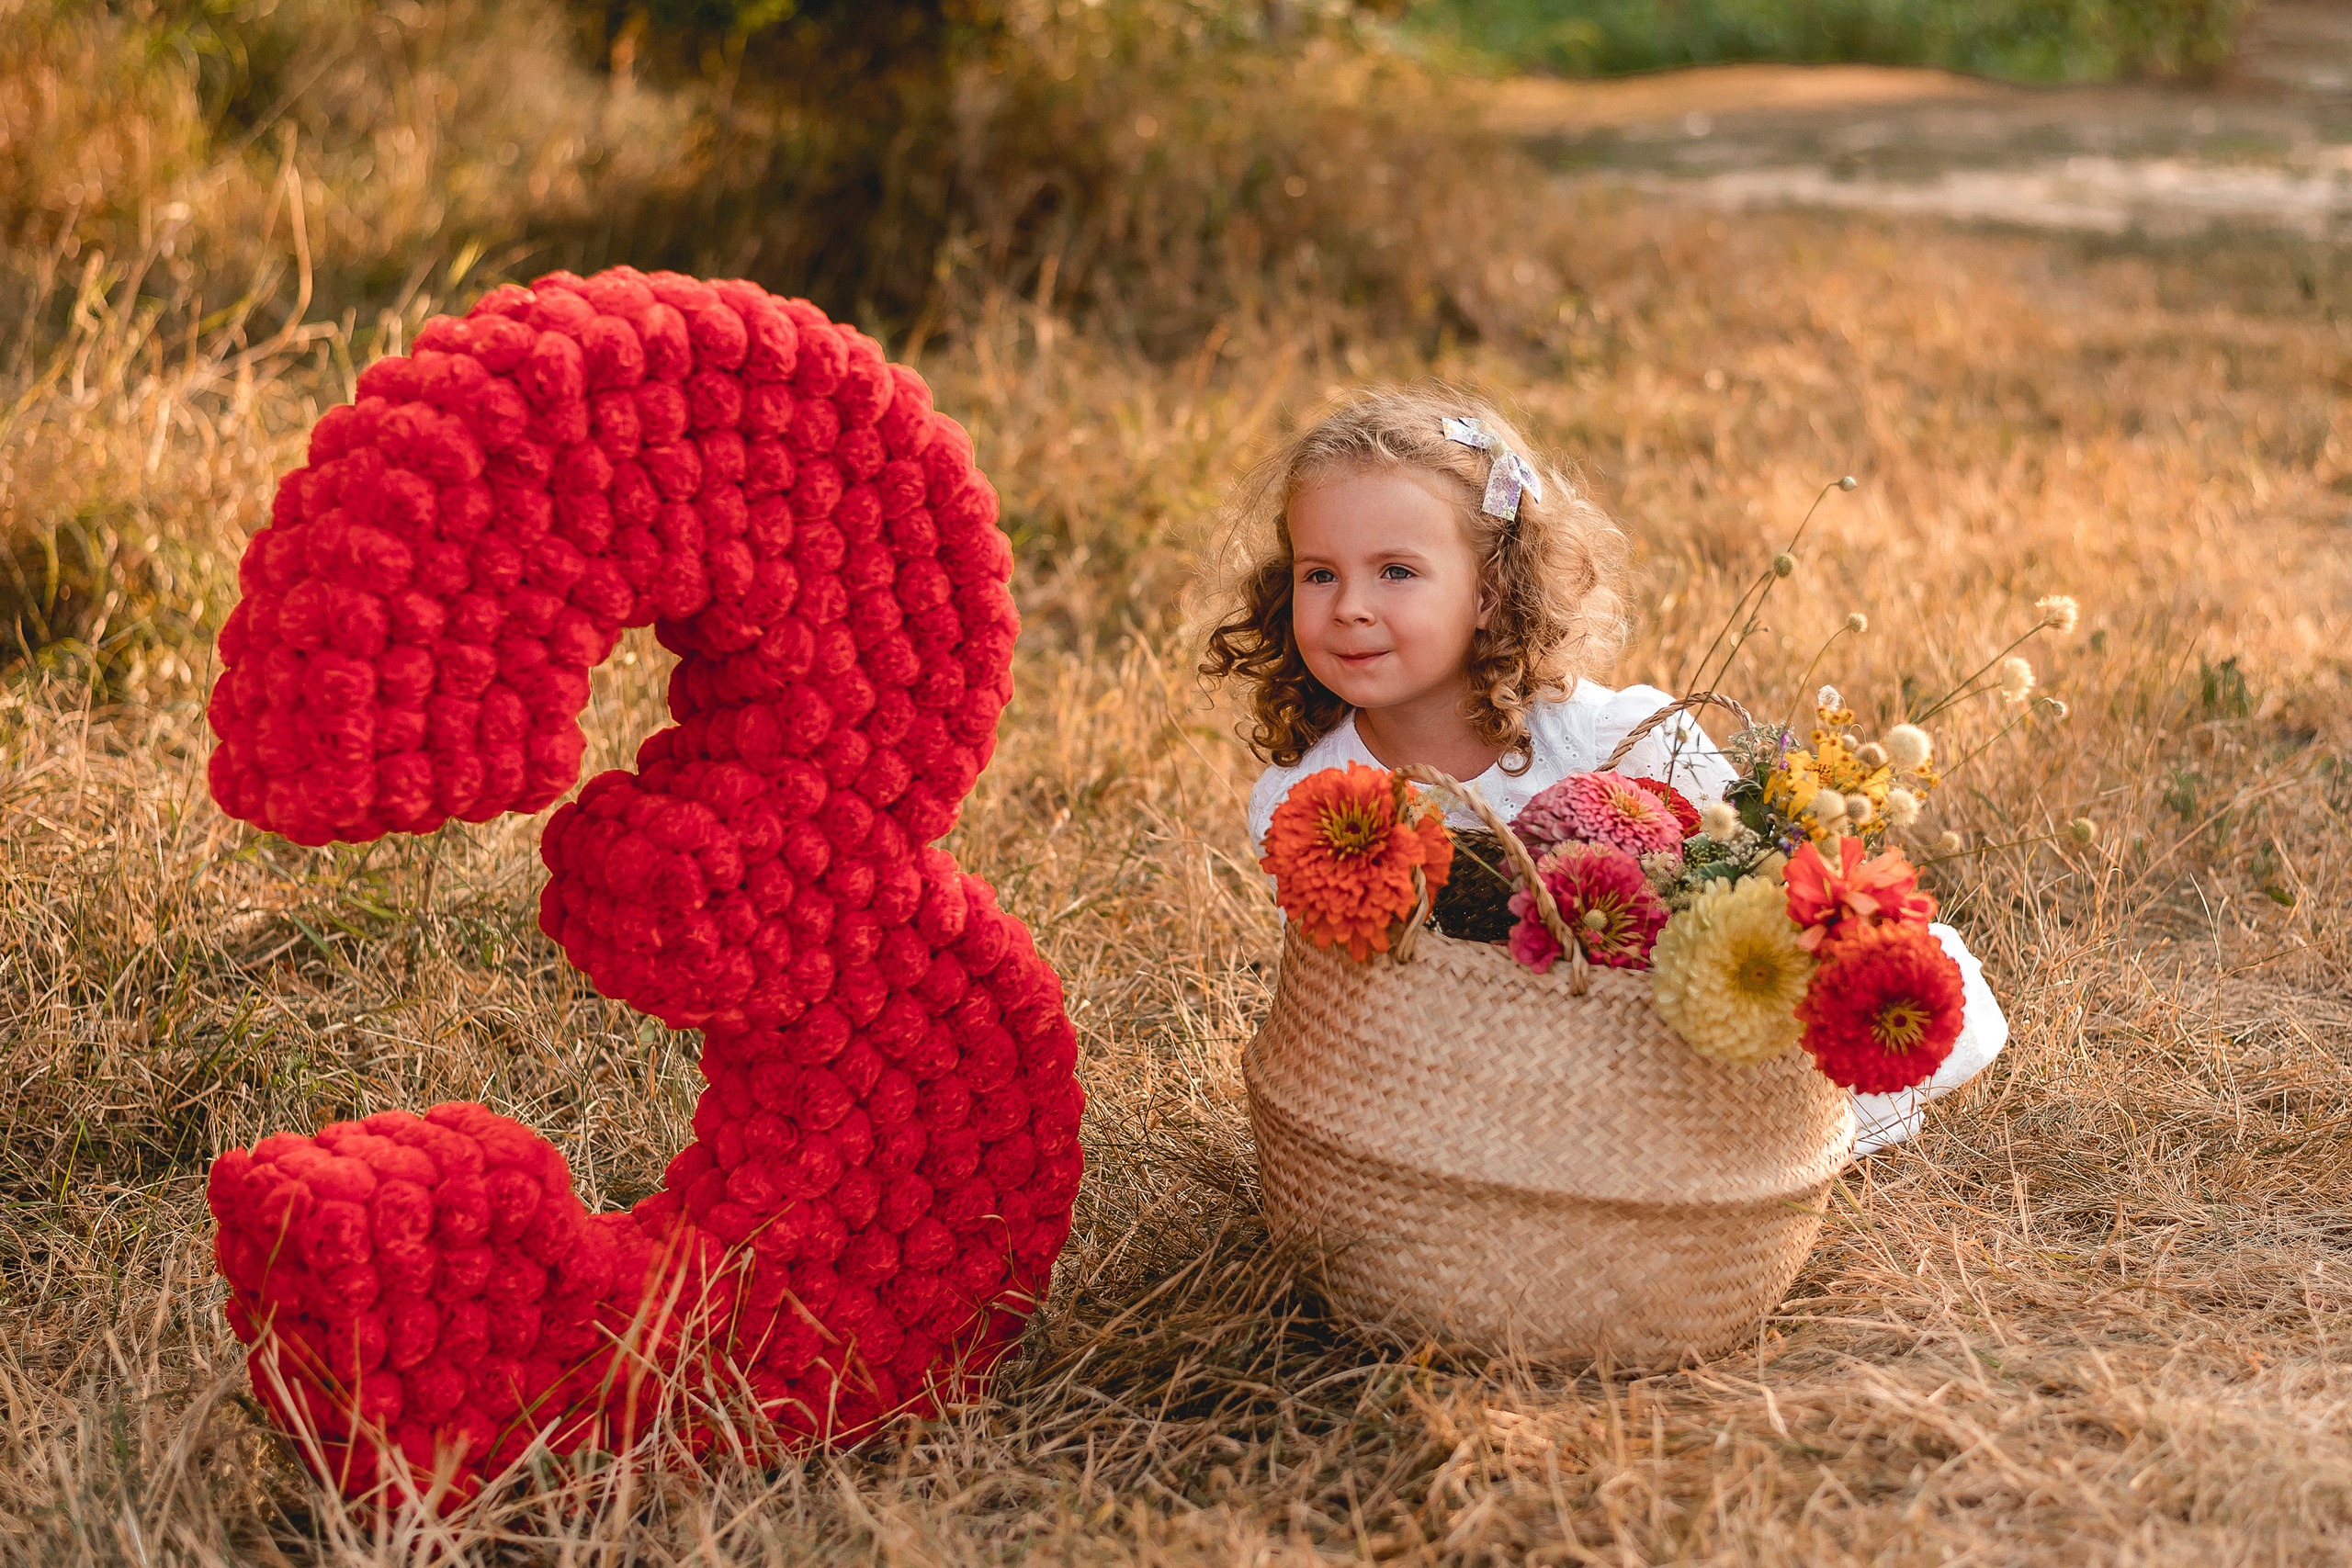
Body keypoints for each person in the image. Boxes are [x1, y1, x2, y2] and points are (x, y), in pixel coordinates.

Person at [1198, 386, 2003, 1154]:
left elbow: (1755, 891)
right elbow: (1347, 1004)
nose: (1350, 607)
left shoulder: (1607, 739)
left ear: (1488, 593)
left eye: (1396, 571)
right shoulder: (1307, 798)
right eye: (1319, 573)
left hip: (1651, 1041)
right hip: (1462, 1078)